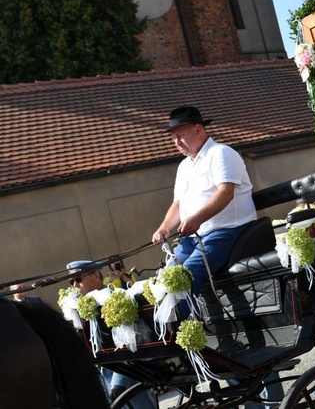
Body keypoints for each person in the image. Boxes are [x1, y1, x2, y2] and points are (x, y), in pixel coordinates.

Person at [151, 106, 257, 298]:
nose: (177, 143)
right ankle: (171, 327)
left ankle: (186, 326)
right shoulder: (184, 166)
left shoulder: (221, 153)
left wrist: (196, 219)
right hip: (193, 238)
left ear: (198, 130)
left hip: (227, 231)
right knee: (165, 278)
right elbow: (178, 203)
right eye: (173, 138)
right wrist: (164, 227)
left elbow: (226, 193)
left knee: (184, 277)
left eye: (180, 136)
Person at [66, 260, 157, 408]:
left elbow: (131, 341)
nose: (75, 285)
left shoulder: (114, 297)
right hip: (105, 376)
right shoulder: (79, 307)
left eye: (78, 279)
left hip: (128, 374)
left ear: (96, 276)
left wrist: (118, 383)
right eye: (71, 281)